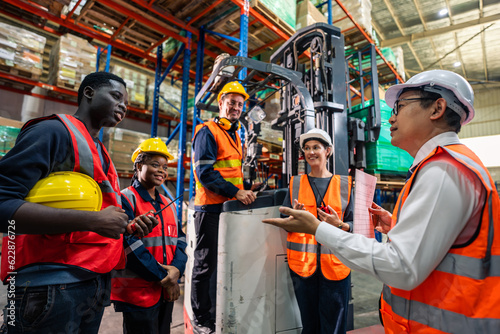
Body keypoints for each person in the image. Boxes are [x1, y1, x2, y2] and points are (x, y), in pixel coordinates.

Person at [263, 70, 500, 333]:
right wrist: (396, 226)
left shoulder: (443, 171)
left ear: (437, 108)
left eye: (399, 106)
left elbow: (402, 266)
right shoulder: (441, 166)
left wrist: (320, 229)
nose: (391, 117)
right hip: (306, 269)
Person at [0, 71, 156, 333]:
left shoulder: (99, 150)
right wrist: (94, 221)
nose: (123, 106)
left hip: (91, 283)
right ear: (89, 93)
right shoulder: (53, 131)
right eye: (116, 96)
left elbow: (87, 211)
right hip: (49, 285)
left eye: (126, 103)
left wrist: (124, 227)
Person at [191, 81, 261, 332]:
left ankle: (215, 310)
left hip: (227, 209)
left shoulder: (235, 134)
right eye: (231, 102)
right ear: (221, 103)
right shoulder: (207, 131)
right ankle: (201, 318)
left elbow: (231, 172)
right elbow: (205, 173)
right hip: (209, 208)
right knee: (205, 264)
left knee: (222, 263)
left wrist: (247, 187)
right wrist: (236, 192)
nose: (236, 107)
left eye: (240, 104)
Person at [111, 138, 187, 334]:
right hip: (137, 293)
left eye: (165, 166)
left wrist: (177, 269)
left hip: (164, 291)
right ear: (138, 166)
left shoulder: (166, 203)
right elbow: (128, 245)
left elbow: (180, 239)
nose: (162, 170)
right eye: (155, 165)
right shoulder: (125, 199)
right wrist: (165, 277)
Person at [282, 128, 353, 334]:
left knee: (333, 328)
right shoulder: (295, 184)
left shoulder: (345, 185)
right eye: (307, 148)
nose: (311, 152)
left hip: (336, 268)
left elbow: (357, 227)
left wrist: (339, 224)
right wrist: (293, 217)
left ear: (328, 151)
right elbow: (286, 222)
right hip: (303, 268)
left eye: (316, 147)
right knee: (310, 326)